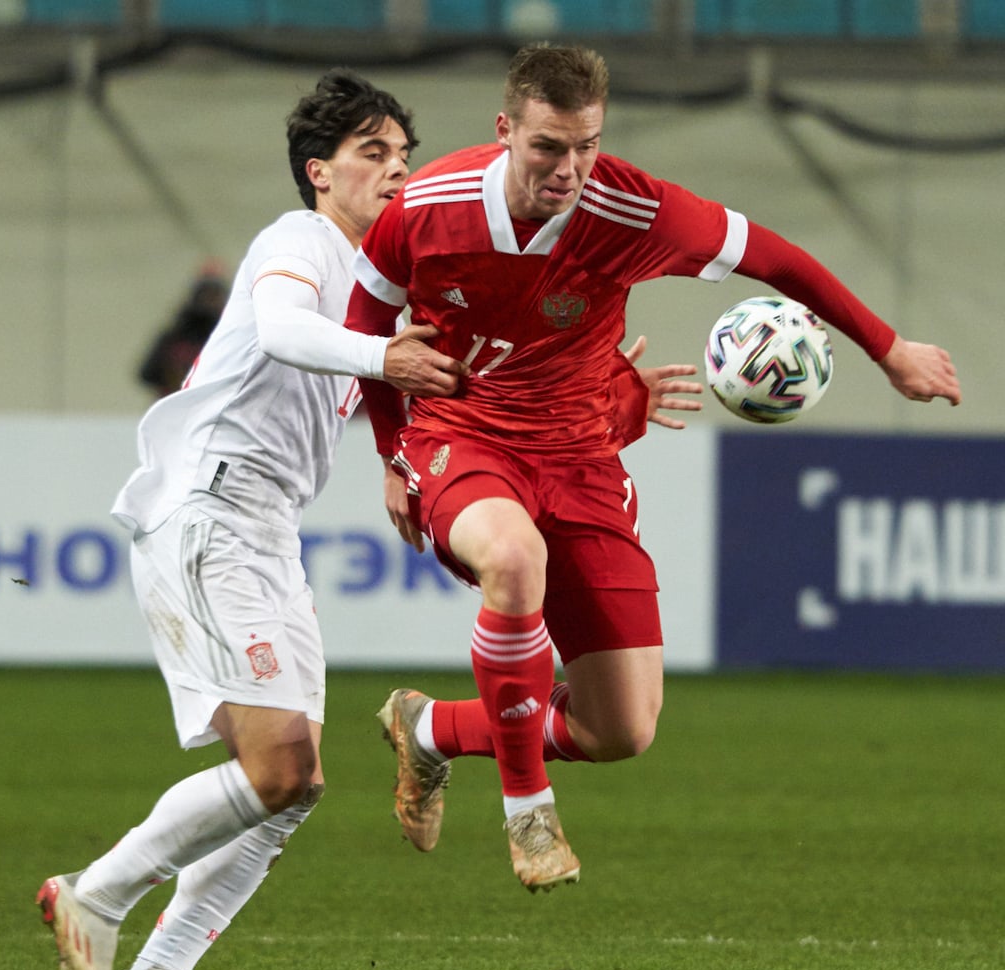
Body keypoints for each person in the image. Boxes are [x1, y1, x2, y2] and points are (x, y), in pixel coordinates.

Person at [345, 43, 961, 893]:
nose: (570, 168)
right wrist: (389, 453)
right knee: (515, 559)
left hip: (581, 456)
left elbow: (775, 257)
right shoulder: (427, 204)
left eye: (587, 145)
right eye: (548, 147)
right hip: (464, 436)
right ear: (504, 131)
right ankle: (528, 810)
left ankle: (432, 730)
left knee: (621, 726)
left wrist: (888, 348)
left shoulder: (632, 210)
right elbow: (367, 317)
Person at [36, 70, 463, 970]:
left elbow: (403, 378)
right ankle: (92, 895)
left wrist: (400, 457)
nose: (396, 174)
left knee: (296, 782)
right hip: (213, 509)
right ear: (319, 172)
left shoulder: (384, 288)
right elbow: (280, 328)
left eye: (404, 158)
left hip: (269, 530)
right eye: (371, 156)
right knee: (277, 766)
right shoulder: (300, 241)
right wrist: (384, 357)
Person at [137, 262, 229, 398]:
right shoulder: (173, 338)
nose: (210, 303)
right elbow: (146, 373)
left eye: (215, 297)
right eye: (207, 296)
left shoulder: (224, 337)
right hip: (174, 405)